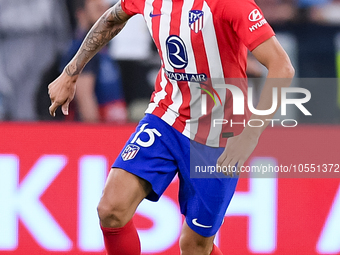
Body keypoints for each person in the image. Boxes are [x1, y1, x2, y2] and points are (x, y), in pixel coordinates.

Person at [48, 0, 294, 254]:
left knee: (194, 246)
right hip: (166, 117)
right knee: (111, 209)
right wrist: (71, 72)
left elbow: (282, 67)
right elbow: (112, 18)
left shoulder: (229, 3)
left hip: (217, 135)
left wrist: (250, 134)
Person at [61, 0, 127, 123]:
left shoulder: (102, 50)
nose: (103, 6)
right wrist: (97, 134)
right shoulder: (81, 50)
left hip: (114, 128)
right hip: (99, 131)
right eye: (98, 9)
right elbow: (84, 98)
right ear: (81, 13)